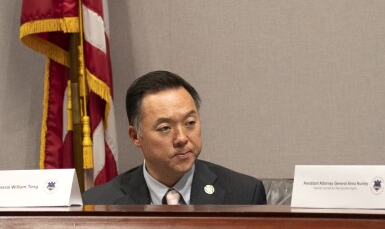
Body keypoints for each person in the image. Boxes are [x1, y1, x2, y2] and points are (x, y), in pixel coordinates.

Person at [83, 70, 267, 205]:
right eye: (165, 128)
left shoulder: (245, 194)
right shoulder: (99, 203)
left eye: (190, 123)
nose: (181, 138)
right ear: (135, 136)